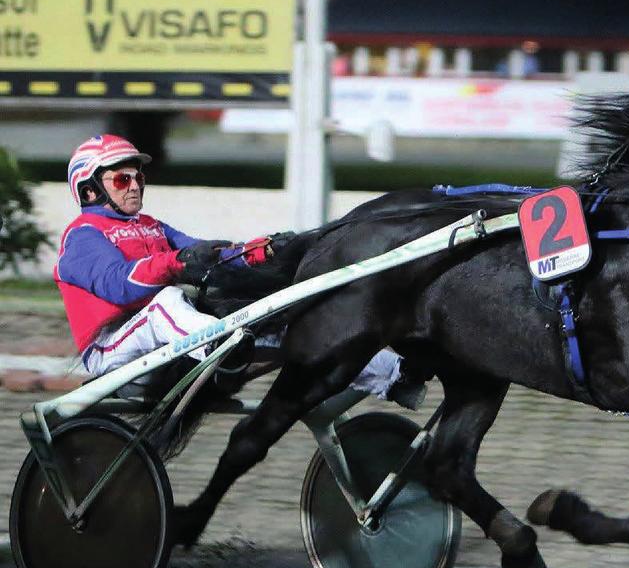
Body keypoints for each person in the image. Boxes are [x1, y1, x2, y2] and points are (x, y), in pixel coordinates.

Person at [55, 134, 426, 409]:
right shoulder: (82, 236)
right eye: (122, 180)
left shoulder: (152, 225)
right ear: (89, 191)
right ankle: (219, 348)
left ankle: (396, 374)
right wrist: (178, 262)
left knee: (283, 318)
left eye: (138, 178)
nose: (135, 185)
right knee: (168, 299)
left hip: (172, 342)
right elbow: (120, 287)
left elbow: (210, 255)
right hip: (113, 353)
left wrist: (257, 252)